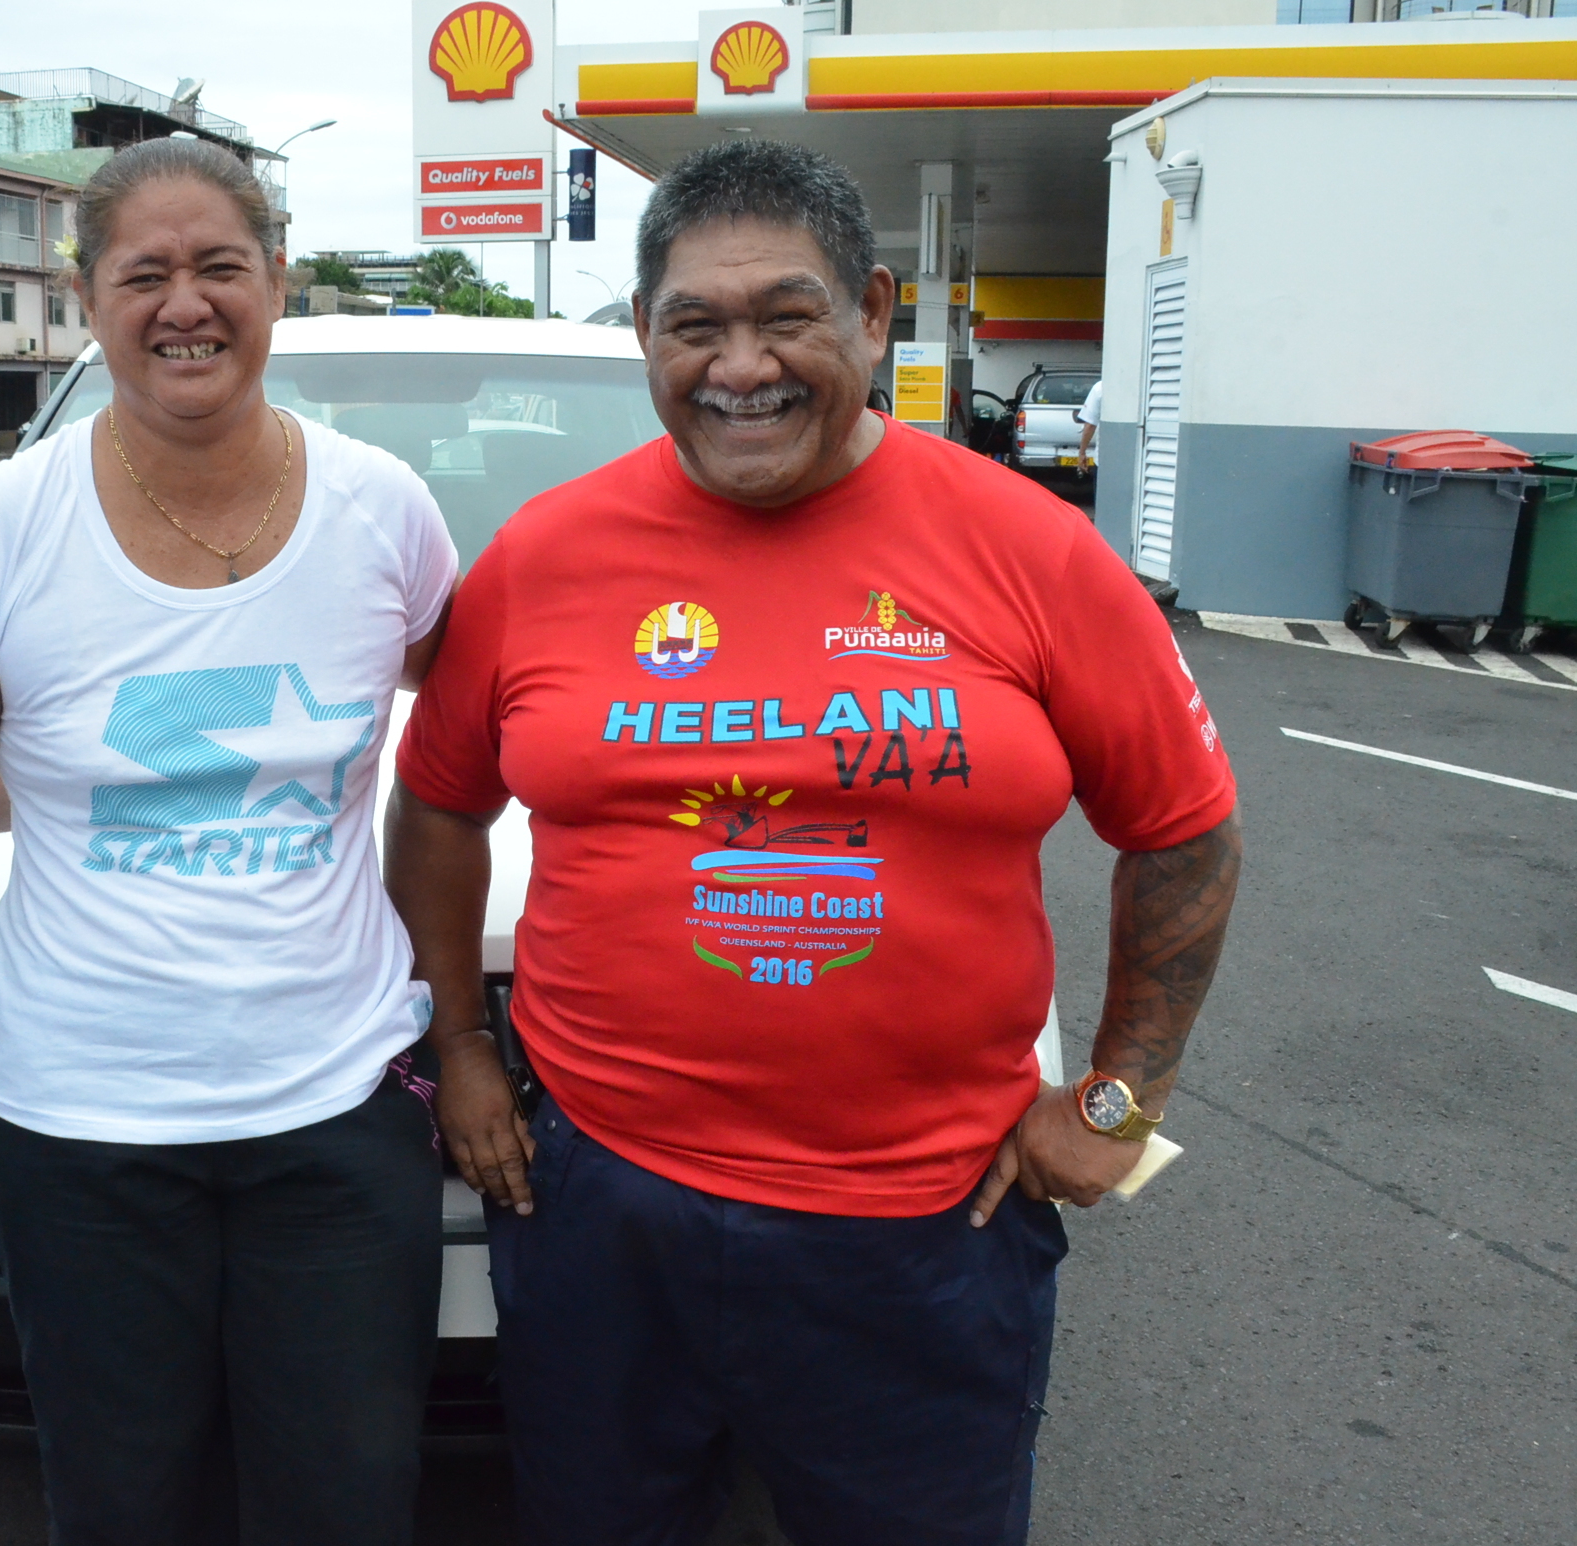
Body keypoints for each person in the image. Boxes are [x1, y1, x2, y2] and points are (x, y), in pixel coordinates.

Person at [388, 140, 1242, 1546]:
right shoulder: (541, 557)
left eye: (785, 316)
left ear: (873, 316)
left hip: (921, 1226)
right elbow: (436, 802)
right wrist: (465, 1047)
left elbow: (1184, 829)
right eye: (693, 326)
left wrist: (1114, 1099)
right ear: (646, 338)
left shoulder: (1030, 551)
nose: (741, 366)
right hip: (603, 1200)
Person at [0, 137, 458, 1546]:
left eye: (218, 267)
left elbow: (470, 743)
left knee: (349, 1498)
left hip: (333, 1114)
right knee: (128, 1503)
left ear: (277, 280)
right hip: (78, 1131)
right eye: (144, 272)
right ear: (87, 295)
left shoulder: (383, 510)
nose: (182, 302)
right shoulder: (3, 526)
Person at [1076, 375, 1104, 476]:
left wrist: (1082, 453)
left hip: (1104, 458)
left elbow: (1090, 425)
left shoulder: (1100, 387)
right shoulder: (1140, 384)